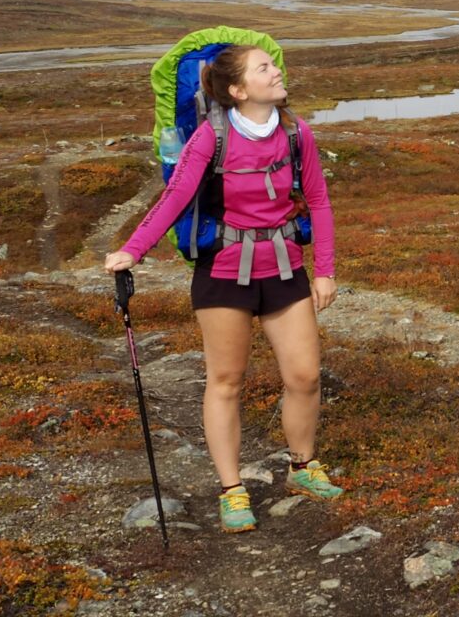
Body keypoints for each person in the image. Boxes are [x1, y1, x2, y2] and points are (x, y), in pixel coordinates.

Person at [104, 43, 339, 533]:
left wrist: (324, 270)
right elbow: (175, 197)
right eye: (264, 68)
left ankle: (302, 468)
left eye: (272, 65)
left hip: (285, 269)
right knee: (226, 382)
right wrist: (134, 249)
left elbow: (317, 200)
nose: (276, 72)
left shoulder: (298, 134)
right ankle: (232, 491)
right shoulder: (211, 137)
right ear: (238, 90)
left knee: (305, 377)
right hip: (223, 273)